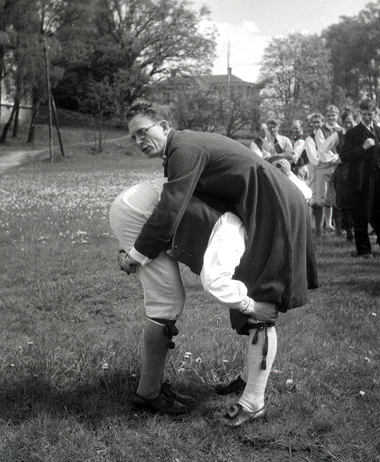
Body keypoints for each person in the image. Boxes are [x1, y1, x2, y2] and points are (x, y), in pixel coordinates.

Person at [121, 101, 318, 419]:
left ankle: (253, 403)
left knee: (260, 304)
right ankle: (247, 379)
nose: (139, 141)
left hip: (273, 207)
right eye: (133, 137)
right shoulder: (181, 146)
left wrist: (135, 256)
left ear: (165, 126)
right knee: (248, 293)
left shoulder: (183, 148)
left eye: (143, 132)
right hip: (258, 207)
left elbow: (170, 209)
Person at [110, 178, 279, 424]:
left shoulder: (233, 208)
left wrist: (129, 247)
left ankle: (150, 389)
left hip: (136, 203)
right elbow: (214, 282)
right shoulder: (234, 229)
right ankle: (148, 393)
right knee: (167, 302)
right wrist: (252, 306)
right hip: (139, 211)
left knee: (168, 301)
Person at [340, 98, 380, 257]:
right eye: (364, 114)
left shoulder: (378, 130)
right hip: (361, 179)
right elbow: (344, 156)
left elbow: (379, 153)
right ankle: (364, 251)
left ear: (375, 114)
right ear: (360, 113)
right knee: (362, 215)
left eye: (370, 114)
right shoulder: (353, 132)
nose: (367, 117)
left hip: (378, 176)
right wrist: (363, 147)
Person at [320, 108, 357, 240]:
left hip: (357, 170)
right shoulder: (338, 134)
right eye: (346, 122)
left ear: (355, 121)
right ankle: (349, 233)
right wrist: (335, 158)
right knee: (343, 202)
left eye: (351, 122)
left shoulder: (359, 133)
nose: (348, 125)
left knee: (357, 201)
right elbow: (323, 148)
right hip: (343, 171)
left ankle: (357, 231)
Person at [315, 105, 341, 234]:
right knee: (322, 198)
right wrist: (335, 158)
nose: (331, 118)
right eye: (328, 116)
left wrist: (340, 159)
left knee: (336, 198)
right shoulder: (320, 131)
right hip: (325, 165)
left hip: (338, 166)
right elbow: (322, 149)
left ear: (337, 116)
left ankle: (337, 229)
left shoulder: (341, 130)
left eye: (333, 115)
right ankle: (318, 231)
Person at [305, 112, 324, 237]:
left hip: (329, 169)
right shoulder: (310, 139)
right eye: (314, 122)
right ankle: (316, 230)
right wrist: (325, 162)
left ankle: (335, 229)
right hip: (317, 170)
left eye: (318, 122)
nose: (316, 124)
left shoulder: (327, 136)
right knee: (316, 199)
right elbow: (313, 158)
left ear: (323, 122)